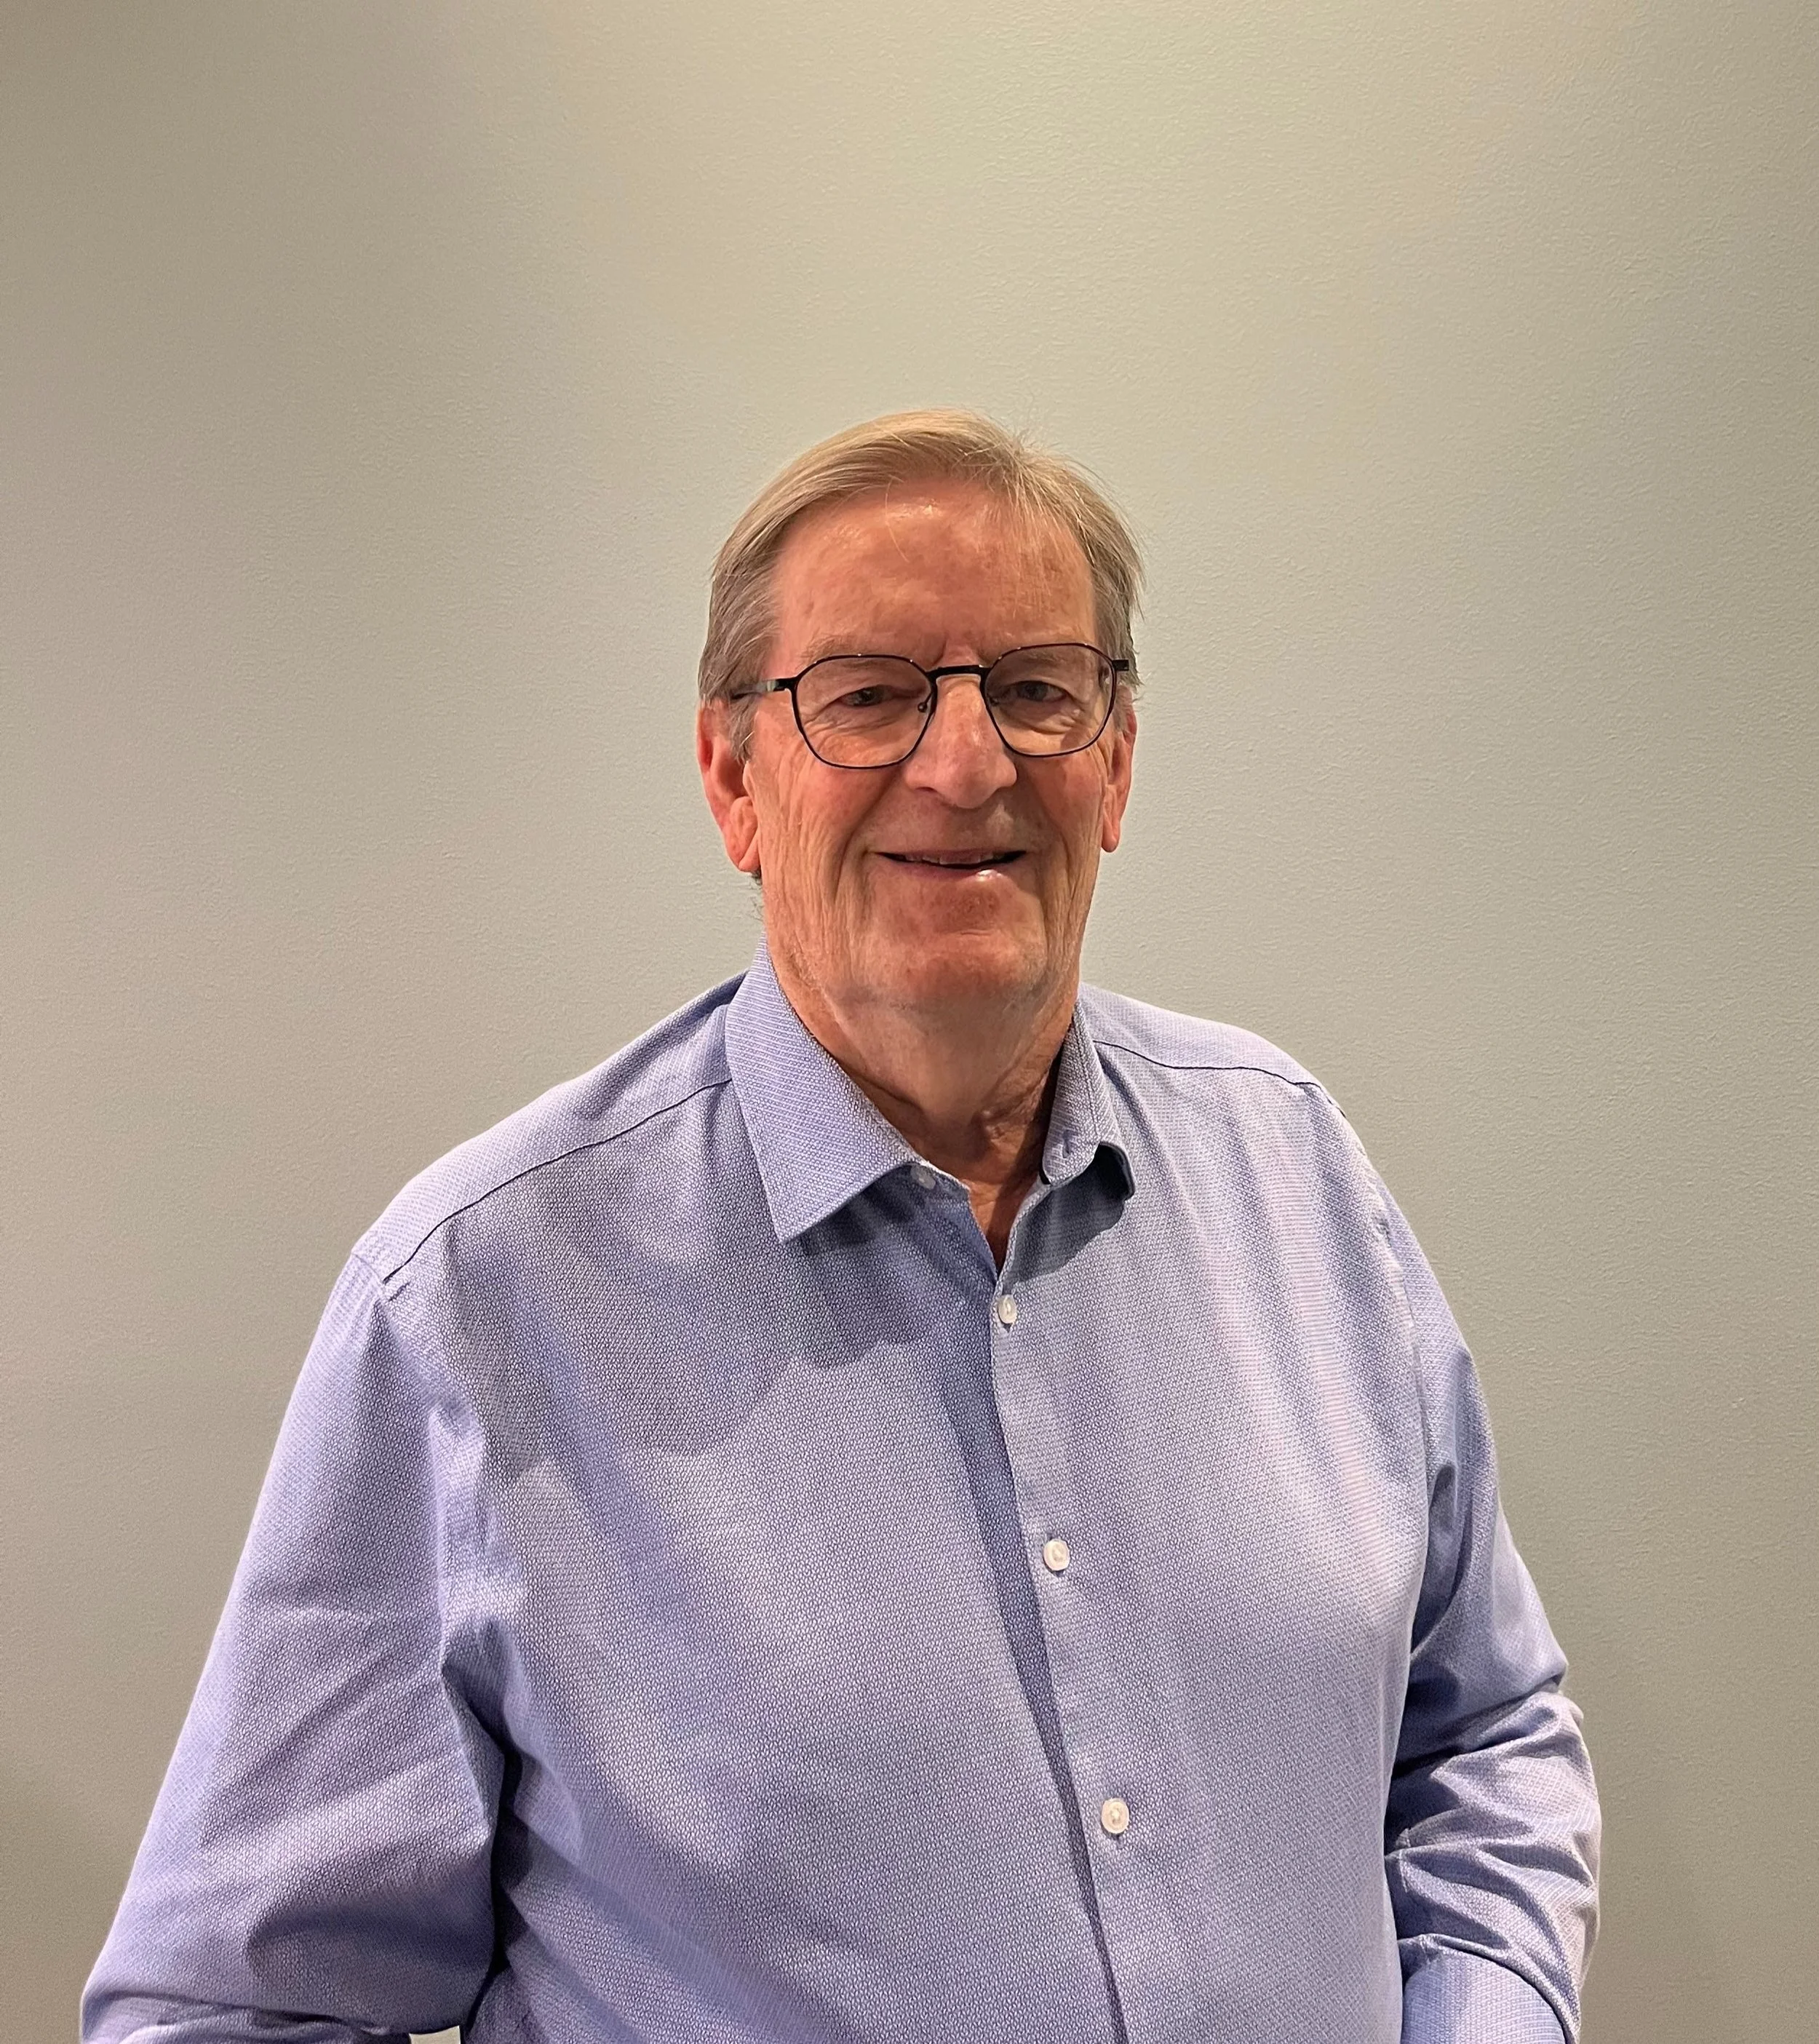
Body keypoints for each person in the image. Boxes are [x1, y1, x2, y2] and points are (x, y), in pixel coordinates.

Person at [84, 410, 1599, 2044]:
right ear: (733, 778)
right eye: (868, 695)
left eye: (1036, 689)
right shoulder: (479, 1302)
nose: (966, 765)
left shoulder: (1291, 1171)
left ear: (1114, 763)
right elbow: (225, 2011)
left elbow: (1481, 1741)